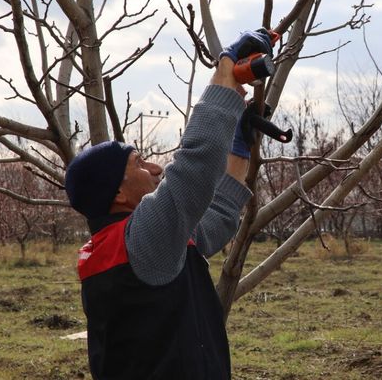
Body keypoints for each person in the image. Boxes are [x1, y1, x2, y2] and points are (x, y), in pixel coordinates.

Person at [64, 30, 273, 379]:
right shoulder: (142, 240)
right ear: (117, 194)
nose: (155, 168)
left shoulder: (134, 245)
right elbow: (193, 168)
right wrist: (224, 71)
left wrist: (238, 144)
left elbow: (218, 216)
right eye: (139, 163)